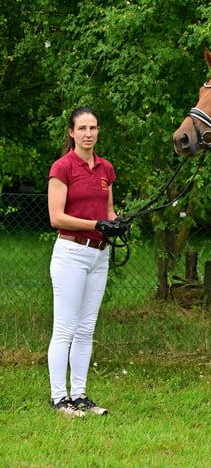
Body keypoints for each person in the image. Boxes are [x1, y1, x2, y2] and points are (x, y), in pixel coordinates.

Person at [47, 106, 128, 418]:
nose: (88, 134)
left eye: (93, 128)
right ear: (71, 132)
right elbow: (57, 217)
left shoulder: (105, 169)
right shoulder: (63, 167)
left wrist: (117, 223)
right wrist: (97, 225)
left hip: (99, 255)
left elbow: (108, 211)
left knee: (86, 328)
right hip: (71, 253)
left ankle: (79, 395)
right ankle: (59, 398)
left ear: (98, 131)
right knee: (65, 328)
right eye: (82, 128)